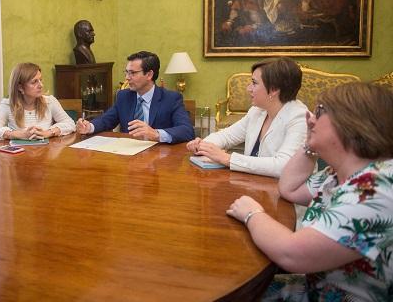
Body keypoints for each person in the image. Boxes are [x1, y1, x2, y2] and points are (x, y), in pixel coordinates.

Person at [227, 82, 393, 301]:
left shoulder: (377, 186)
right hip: (316, 288)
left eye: (320, 111)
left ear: (351, 122)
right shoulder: (337, 173)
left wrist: (252, 214)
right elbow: (289, 188)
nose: (311, 118)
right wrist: (310, 144)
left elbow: (292, 254)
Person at [187, 57, 306, 177]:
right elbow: (226, 136)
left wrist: (227, 159)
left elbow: (284, 166)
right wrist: (202, 145)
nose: (248, 88)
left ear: (274, 89)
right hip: (255, 185)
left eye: (254, 83)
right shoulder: (257, 111)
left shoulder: (300, 119)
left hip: (285, 191)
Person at [77, 51, 194, 144]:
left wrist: (156, 134)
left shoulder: (171, 98)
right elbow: (106, 120)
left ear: (149, 75)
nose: (127, 78)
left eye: (132, 73)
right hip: (129, 157)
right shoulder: (123, 96)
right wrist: (89, 127)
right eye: (126, 72)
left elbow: (187, 131)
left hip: (159, 159)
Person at [0, 63, 76, 140]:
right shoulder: (8, 104)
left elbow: (70, 124)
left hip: (45, 154)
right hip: (18, 156)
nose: (41, 85)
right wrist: (17, 134)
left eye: (40, 80)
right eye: (34, 82)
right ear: (20, 87)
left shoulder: (50, 101)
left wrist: (49, 132)